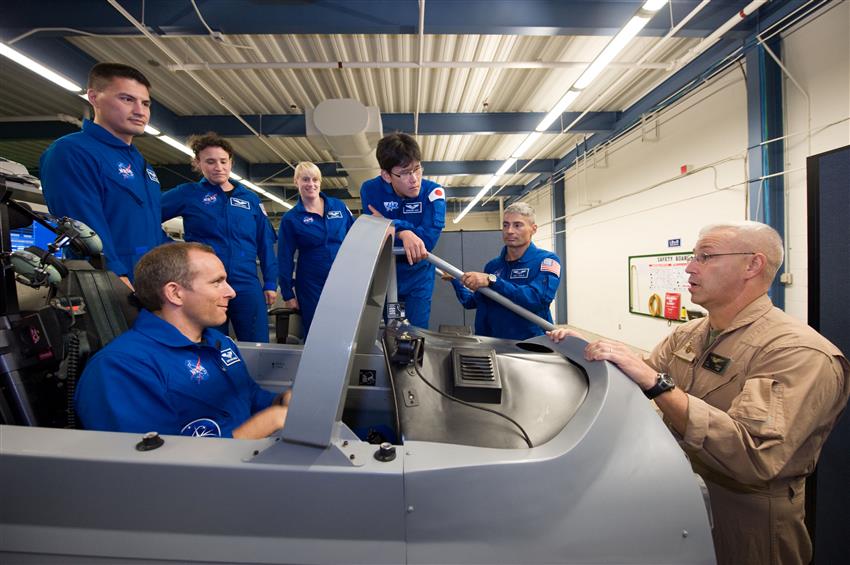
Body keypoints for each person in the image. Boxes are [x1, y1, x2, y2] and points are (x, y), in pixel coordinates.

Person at [549, 221, 849, 565]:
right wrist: (588, 353)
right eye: (693, 257)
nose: (689, 267)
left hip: (747, 520)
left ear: (753, 265)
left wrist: (657, 383)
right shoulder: (691, 333)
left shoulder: (795, 352)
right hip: (683, 496)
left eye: (705, 257)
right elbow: (639, 378)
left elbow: (754, 455)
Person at [75, 242, 289, 439]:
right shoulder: (120, 368)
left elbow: (249, 396)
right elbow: (151, 468)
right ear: (175, 293)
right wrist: (268, 422)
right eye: (217, 282)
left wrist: (280, 402)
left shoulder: (219, 342)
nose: (231, 292)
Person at [40, 62, 168, 288]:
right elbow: (84, 232)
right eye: (127, 99)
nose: (140, 111)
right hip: (109, 284)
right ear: (93, 97)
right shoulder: (72, 152)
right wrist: (116, 278)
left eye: (145, 103)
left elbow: (149, 229)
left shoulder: (140, 162)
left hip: (150, 281)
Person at [161, 133, 278, 343]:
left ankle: (250, 377)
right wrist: (172, 248)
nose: (219, 167)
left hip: (246, 281)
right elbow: (147, 216)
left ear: (231, 162)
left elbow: (265, 243)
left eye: (224, 161)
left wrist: (270, 282)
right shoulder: (188, 194)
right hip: (205, 283)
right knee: (210, 341)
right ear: (198, 163)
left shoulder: (250, 199)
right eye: (210, 162)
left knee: (257, 341)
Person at [360, 132, 446, 328]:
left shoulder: (434, 193)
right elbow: (376, 233)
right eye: (405, 173)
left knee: (415, 335)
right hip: (389, 278)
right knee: (393, 332)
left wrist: (389, 224)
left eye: (417, 169)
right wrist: (404, 232)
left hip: (418, 280)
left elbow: (426, 242)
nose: (414, 179)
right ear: (386, 175)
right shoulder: (371, 190)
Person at [446, 202, 560, 339]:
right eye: (506, 225)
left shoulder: (547, 261)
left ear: (533, 229)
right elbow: (473, 302)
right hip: (492, 345)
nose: (510, 230)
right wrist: (456, 280)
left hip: (529, 346)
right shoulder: (493, 266)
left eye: (517, 225)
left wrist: (492, 281)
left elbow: (537, 299)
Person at [277, 161, 354, 337]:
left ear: (320, 181)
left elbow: (355, 236)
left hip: (343, 279)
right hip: (311, 283)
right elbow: (284, 257)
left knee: (344, 329)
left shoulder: (339, 207)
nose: (311, 184)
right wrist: (288, 294)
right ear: (296, 181)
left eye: (315, 179)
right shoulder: (291, 219)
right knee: (315, 330)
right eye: (305, 179)